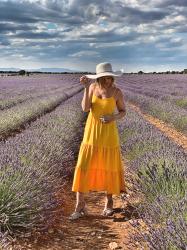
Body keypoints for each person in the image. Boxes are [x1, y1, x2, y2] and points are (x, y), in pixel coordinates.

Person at [68, 62, 127, 220]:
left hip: (109, 134)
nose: (108, 80)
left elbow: (123, 112)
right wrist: (86, 87)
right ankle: (80, 206)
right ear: (99, 78)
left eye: (110, 77)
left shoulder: (117, 92)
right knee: (84, 165)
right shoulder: (93, 88)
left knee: (108, 167)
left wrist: (112, 117)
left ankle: (109, 203)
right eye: (105, 78)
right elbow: (85, 108)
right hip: (91, 133)